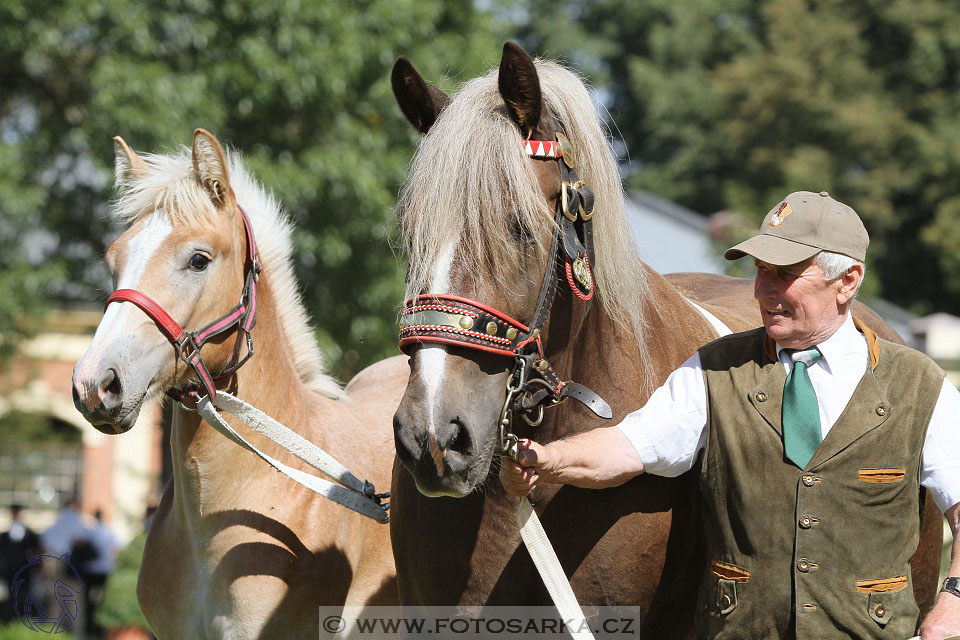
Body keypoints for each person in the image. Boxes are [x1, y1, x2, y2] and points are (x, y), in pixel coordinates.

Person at [501, 191, 960, 638]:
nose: (761, 290)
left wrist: (954, 601)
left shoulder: (920, 385)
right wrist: (547, 458)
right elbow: (628, 446)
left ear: (848, 280)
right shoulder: (714, 368)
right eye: (760, 271)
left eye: (784, 274)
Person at [0, 504, 41, 622]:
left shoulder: (29, 534)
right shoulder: (5, 536)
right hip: (10, 570)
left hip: (25, 571)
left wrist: (36, 567)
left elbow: (37, 551)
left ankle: (24, 619)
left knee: (25, 596)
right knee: (12, 597)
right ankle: (12, 621)